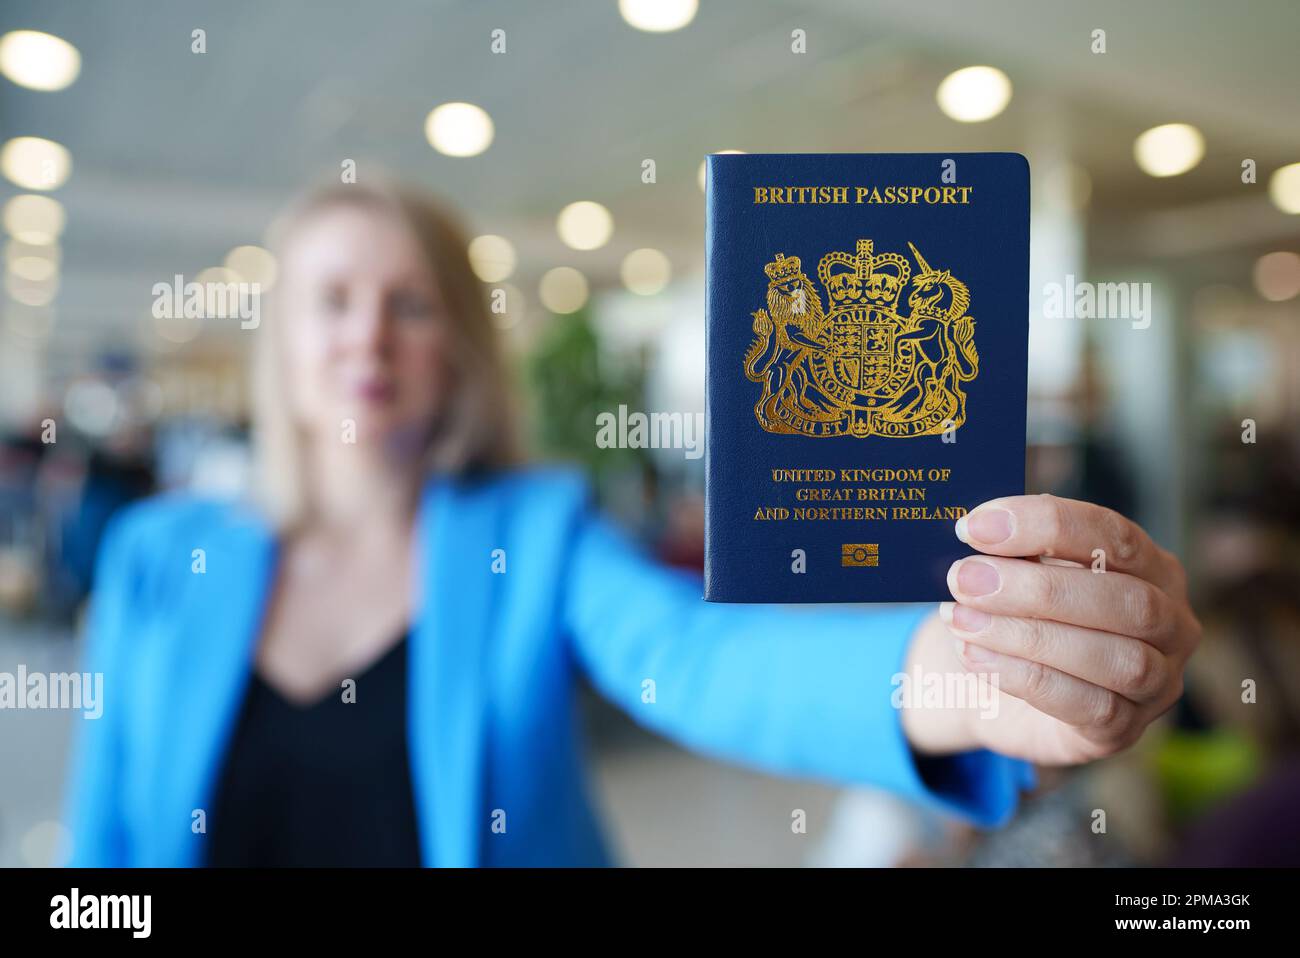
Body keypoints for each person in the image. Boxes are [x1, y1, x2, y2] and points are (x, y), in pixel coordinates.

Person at [62, 182, 1201, 867]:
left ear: (455, 342)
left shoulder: (532, 533)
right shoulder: (160, 560)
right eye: (332, 300)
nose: (369, 338)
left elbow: (700, 661)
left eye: (409, 303)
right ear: (280, 340)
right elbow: (104, 840)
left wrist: (962, 675)